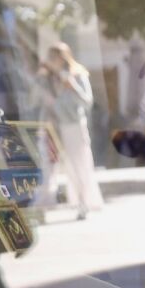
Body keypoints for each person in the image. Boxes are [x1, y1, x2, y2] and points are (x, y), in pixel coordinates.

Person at [40, 41, 103, 216]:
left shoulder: (78, 74)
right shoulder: (50, 78)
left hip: (74, 125)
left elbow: (87, 101)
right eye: (50, 57)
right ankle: (70, 202)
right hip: (55, 126)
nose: (52, 60)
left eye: (55, 57)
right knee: (61, 167)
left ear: (63, 57)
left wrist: (72, 86)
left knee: (79, 164)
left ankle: (84, 202)